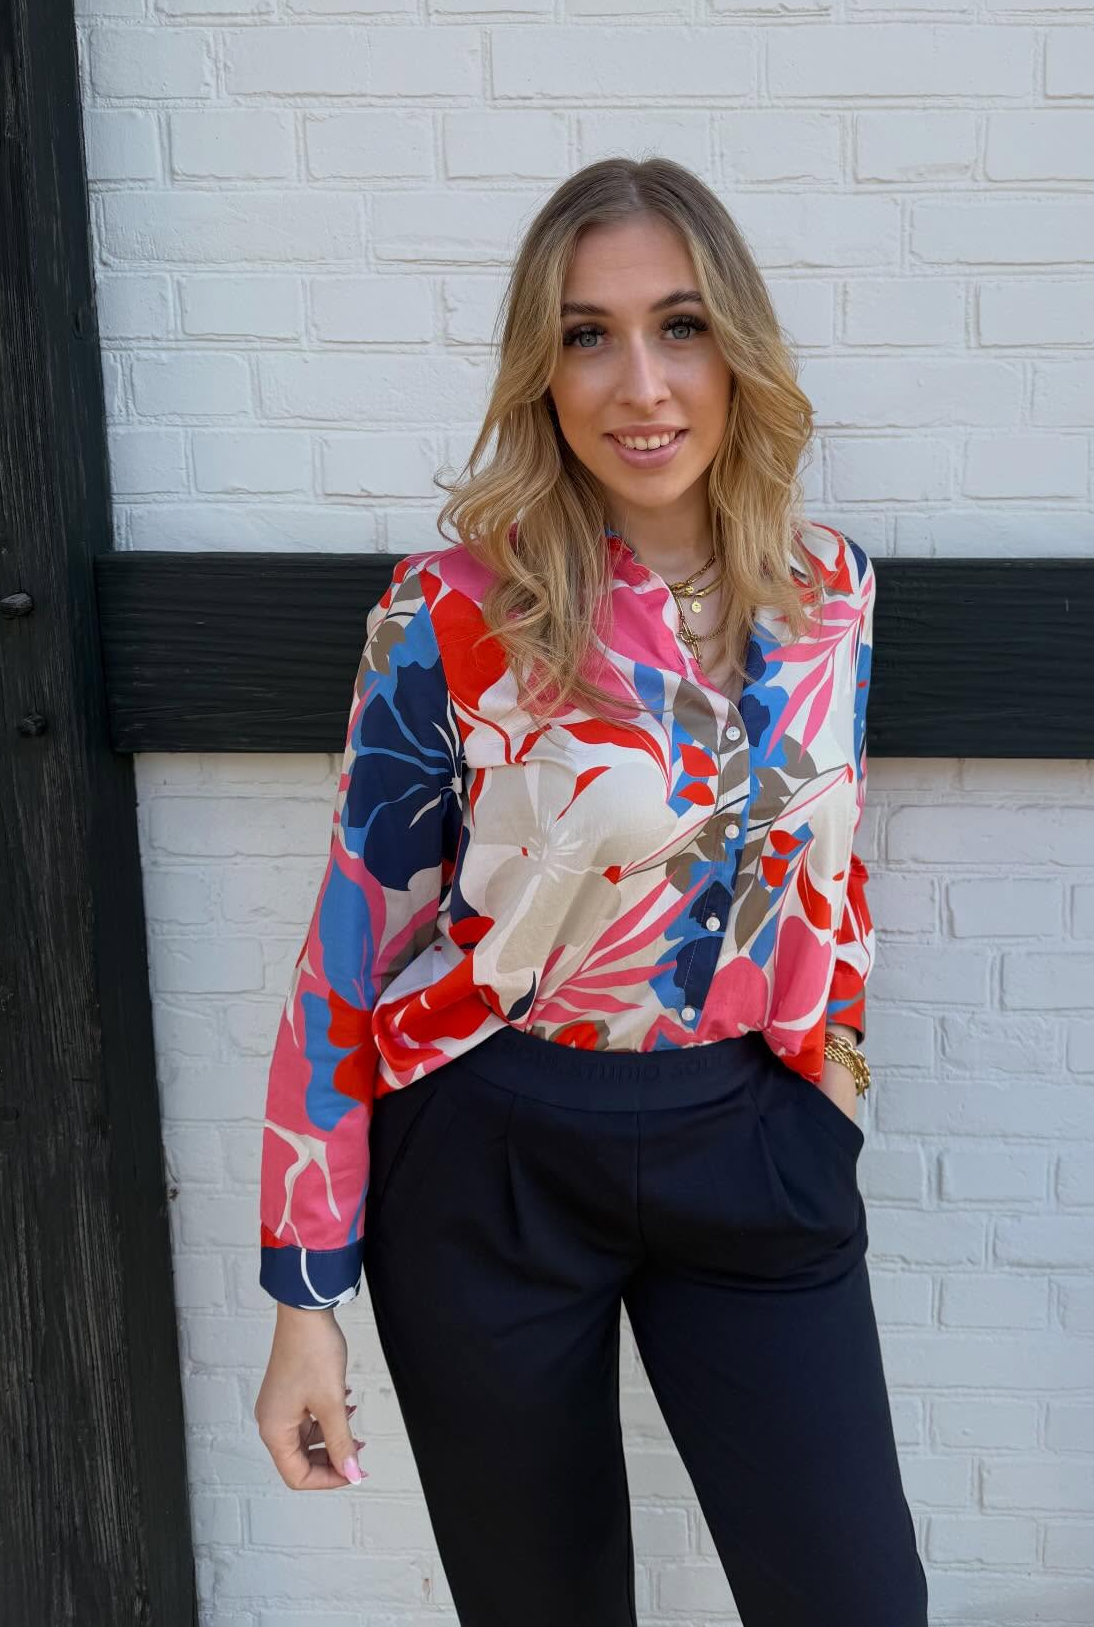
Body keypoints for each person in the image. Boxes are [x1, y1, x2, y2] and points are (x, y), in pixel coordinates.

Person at [253, 156, 929, 1626]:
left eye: (681, 326)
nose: (642, 383)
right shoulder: (450, 609)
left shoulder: (832, 590)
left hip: (752, 1143)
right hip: (493, 1155)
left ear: (736, 349)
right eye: (586, 336)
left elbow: (829, 872)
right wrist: (306, 1295)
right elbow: (351, 936)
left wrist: (831, 1090)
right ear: (540, 373)